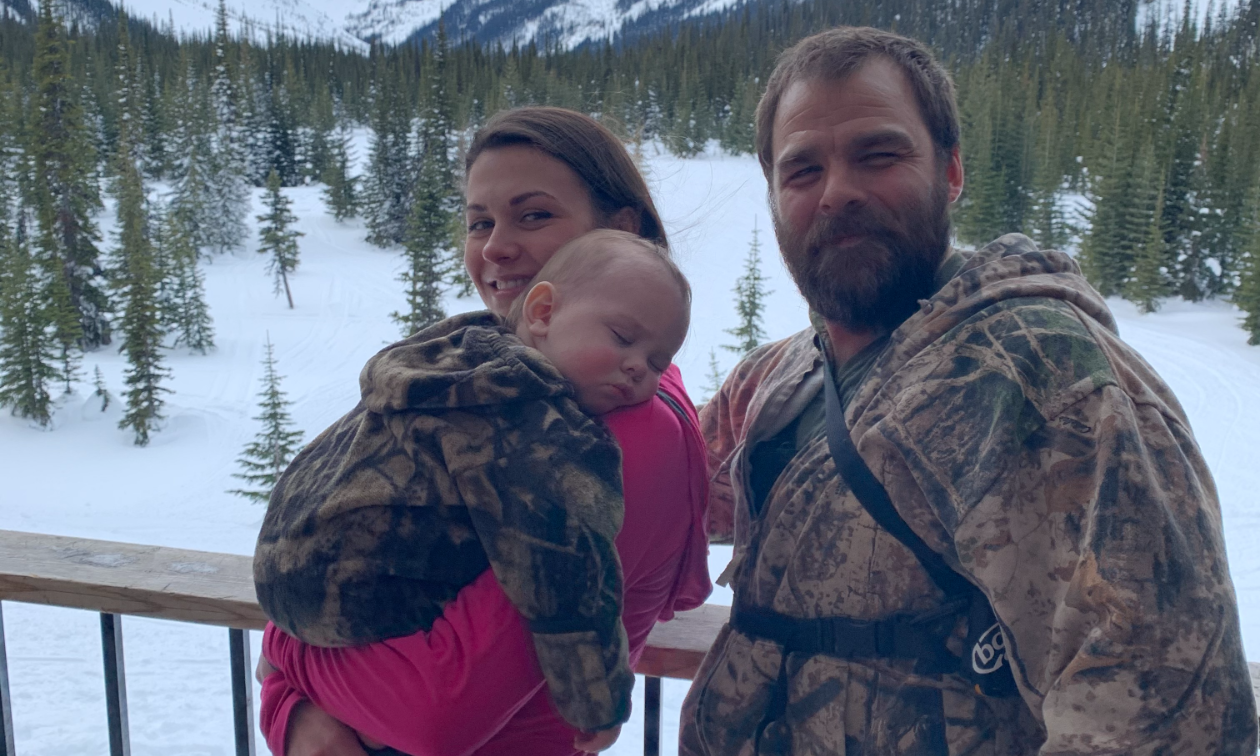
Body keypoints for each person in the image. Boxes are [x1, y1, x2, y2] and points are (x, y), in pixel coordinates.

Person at [682, 26, 1258, 755]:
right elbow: (663, 494)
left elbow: (1163, 713)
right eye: (802, 171)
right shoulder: (781, 377)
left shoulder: (1050, 381)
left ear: (950, 172)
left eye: (878, 154)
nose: (838, 194)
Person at [256, 107, 712, 756]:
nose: (495, 247)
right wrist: (292, 714)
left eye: (533, 215)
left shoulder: (620, 428)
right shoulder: (509, 380)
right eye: (479, 222)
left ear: (620, 231)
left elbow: (433, 716)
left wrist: (284, 658)